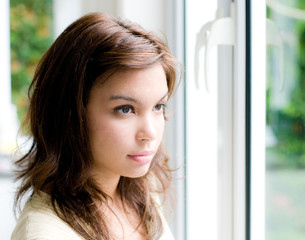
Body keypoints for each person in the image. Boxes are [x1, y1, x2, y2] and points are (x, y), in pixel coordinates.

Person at [11, 12, 180, 240]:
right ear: (70, 113)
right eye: (125, 109)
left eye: (158, 106)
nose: (149, 133)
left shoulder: (139, 187)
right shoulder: (46, 233)